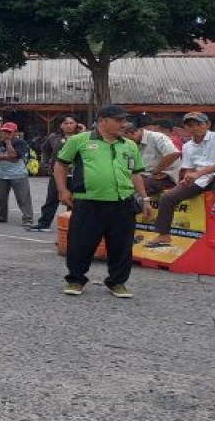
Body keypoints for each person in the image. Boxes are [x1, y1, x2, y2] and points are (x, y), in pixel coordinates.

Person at [54, 105, 150, 298]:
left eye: (125, 120)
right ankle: (75, 280)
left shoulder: (129, 145)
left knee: (121, 246)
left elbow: (136, 173)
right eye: (119, 120)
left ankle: (117, 282)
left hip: (122, 202)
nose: (124, 124)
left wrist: (145, 198)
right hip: (89, 202)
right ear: (103, 120)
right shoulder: (80, 140)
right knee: (80, 243)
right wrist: (63, 190)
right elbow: (61, 164)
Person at [144, 111, 215, 249]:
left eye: (199, 124)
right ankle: (163, 234)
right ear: (185, 128)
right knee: (167, 197)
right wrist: (187, 177)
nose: (195, 128)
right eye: (190, 125)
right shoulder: (187, 146)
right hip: (200, 180)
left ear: (208, 124)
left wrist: (198, 173)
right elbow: (189, 169)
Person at [27, 115, 80, 232]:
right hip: (58, 175)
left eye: (72, 123)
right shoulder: (53, 138)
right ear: (61, 125)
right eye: (66, 123)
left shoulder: (82, 137)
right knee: (51, 200)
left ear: (76, 124)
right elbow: (45, 151)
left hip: (76, 176)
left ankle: (74, 226)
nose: (69, 126)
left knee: (75, 202)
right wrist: (46, 165)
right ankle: (44, 224)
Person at [0, 122, 34, 226]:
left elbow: (14, 156)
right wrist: (7, 157)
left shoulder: (20, 143)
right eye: (4, 131)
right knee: (2, 197)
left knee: (23, 198)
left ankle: (28, 218)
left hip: (18, 174)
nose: (5, 134)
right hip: (2, 174)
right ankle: (2, 216)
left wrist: (8, 142)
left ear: (14, 132)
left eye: (8, 132)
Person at [125, 119, 182, 195]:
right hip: (143, 176)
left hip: (164, 177)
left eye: (125, 138)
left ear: (132, 133)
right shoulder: (130, 145)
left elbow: (173, 154)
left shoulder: (157, 137)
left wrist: (156, 171)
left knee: (133, 186)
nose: (124, 141)